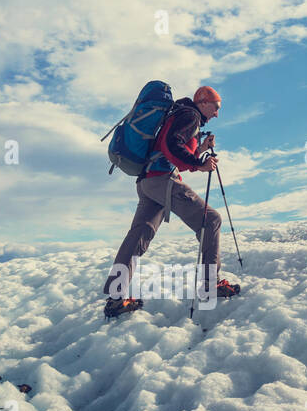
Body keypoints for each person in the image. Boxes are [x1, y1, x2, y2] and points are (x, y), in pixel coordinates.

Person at [102, 85, 240, 317]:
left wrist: (200, 149)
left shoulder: (179, 114)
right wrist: (199, 164)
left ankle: (116, 298)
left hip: (148, 182)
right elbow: (171, 146)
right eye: (215, 108)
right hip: (162, 180)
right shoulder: (190, 115)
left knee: (136, 238)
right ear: (203, 102)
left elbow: (171, 148)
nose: (217, 114)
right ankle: (210, 285)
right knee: (212, 220)